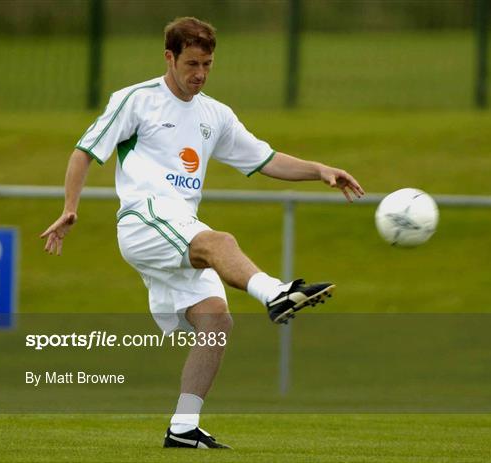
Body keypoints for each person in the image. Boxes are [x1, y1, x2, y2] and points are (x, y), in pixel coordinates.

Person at [41, 17, 364, 449]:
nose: (200, 74)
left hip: (180, 227)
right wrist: (70, 207)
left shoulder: (216, 114)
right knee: (220, 242)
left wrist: (319, 170)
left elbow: (265, 159)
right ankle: (276, 294)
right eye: (192, 63)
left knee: (216, 320)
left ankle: (183, 428)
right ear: (169, 58)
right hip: (144, 219)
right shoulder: (137, 100)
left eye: (208, 64)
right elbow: (84, 152)